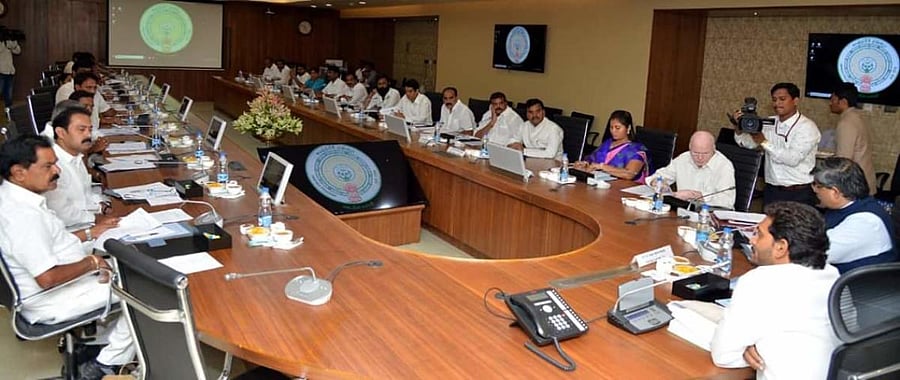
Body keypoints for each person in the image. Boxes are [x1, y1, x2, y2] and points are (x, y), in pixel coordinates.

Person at [0, 135, 134, 379]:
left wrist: (89, 233)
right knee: (149, 290)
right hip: (51, 297)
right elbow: (48, 278)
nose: (57, 170)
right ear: (19, 173)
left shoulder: (15, 199)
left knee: (134, 269)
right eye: (47, 166)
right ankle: (104, 364)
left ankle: (96, 346)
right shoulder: (23, 217)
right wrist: (92, 262)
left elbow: (55, 242)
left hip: (63, 281)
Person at [711, 201, 840, 380]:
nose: (751, 239)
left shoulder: (760, 281)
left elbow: (723, 356)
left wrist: (747, 348)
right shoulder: (832, 274)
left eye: (759, 235)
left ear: (781, 247)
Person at [734, 82, 820, 206]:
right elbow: (748, 144)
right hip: (771, 191)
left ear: (795, 101)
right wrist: (738, 128)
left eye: (782, 99)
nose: (777, 103)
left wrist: (764, 142)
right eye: (774, 100)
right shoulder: (770, 122)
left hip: (798, 193)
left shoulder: (807, 127)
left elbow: (792, 159)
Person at [812, 157, 896, 273]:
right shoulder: (846, 206)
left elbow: (813, 254)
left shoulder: (865, 222)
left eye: (817, 185)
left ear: (835, 192)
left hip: (857, 288)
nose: (815, 190)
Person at [44, 108, 116, 229]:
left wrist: (103, 207)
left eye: (90, 129)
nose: (88, 135)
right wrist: (97, 218)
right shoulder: (51, 165)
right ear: (61, 133)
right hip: (74, 231)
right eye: (81, 130)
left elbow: (85, 195)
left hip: (87, 220)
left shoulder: (75, 155)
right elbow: (62, 214)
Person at [645, 131, 735, 209]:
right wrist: (658, 183)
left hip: (711, 214)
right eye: (695, 153)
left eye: (705, 153)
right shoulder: (684, 158)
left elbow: (727, 201)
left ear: (714, 148)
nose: (700, 157)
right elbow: (659, 175)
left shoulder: (724, 166)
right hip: (684, 210)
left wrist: (695, 196)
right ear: (690, 148)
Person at [574, 110, 648, 182]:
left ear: (628, 128)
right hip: (600, 182)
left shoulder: (637, 150)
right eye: (611, 127)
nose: (613, 131)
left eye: (617, 128)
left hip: (625, 187)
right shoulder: (608, 143)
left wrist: (602, 167)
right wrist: (584, 165)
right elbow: (591, 160)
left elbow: (630, 174)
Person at [830, 82, 876, 195]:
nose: (830, 103)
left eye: (833, 100)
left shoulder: (846, 123)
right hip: (864, 181)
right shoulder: (857, 117)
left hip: (855, 186)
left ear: (843, 102)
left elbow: (844, 160)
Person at [0, 37, 21, 109]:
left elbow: (18, 51)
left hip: (10, 71)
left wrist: (13, 43)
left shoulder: (9, 42)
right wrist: (5, 44)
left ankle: (9, 113)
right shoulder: (3, 43)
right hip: (1, 72)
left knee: (9, 95)